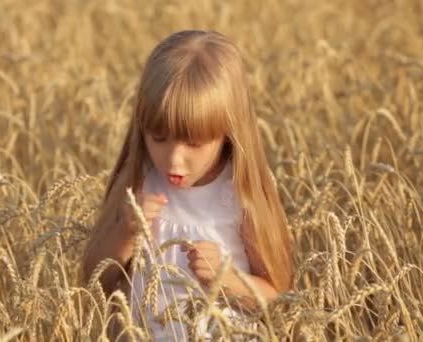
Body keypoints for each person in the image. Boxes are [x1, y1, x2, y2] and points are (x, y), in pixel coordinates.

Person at [81, 30, 294, 341]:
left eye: (194, 143)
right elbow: (95, 278)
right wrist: (125, 232)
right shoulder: (139, 182)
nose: (174, 160)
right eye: (158, 138)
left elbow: (278, 300)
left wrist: (228, 281)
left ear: (228, 134)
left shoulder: (239, 196)